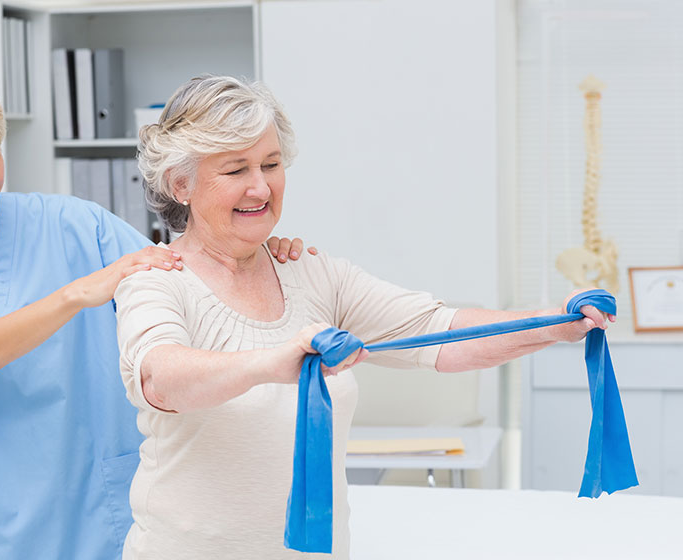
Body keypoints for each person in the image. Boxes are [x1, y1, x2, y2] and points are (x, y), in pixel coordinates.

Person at [114, 75, 613, 559]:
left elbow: (437, 332)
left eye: (271, 164)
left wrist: (550, 323)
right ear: (181, 183)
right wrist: (272, 363)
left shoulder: (311, 272)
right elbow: (162, 378)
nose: (261, 188)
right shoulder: (155, 280)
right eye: (235, 169)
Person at [0, 72, 310, 559]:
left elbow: (187, 282)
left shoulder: (77, 223)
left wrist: (253, 253)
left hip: (104, 499)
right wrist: (77, 293)